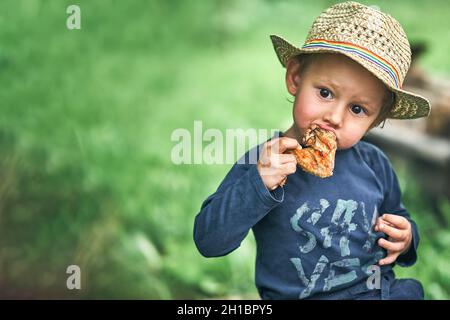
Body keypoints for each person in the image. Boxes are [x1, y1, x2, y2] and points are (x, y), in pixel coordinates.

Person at [193, 1, 430, 300]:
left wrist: (406, 237)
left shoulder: (376, 165)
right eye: (325, 93)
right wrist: (258, 184)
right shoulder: (265, 162)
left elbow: (398, 217)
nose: (335, 117)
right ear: (295, 78)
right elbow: (209, 240)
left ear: (375, 121)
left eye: (358, 109)